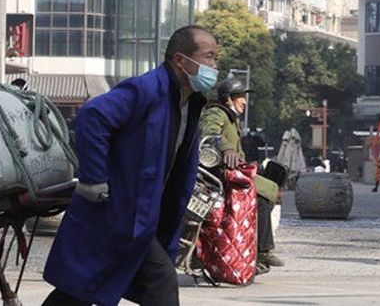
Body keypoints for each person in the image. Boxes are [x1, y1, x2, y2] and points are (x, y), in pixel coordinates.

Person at [42, 26, 218, 306]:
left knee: (79, 290)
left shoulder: (190, 103)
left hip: (143, 215)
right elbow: (92, 116)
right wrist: (93, 179)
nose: (214, 67)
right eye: (208, 57)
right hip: (118, 212)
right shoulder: (148, 88)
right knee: (160, 280)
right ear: (181, 60)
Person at [199, 77, 284, 272]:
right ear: (228, 98)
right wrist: (226, 148)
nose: (244, 101)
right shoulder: (216, 112)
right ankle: (262, 250)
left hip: (235, 171)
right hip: (221, 175)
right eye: (240, 97)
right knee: (264, 194)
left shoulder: (230, 117)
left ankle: (257, 248)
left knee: (271, 188)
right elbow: (209, 133)